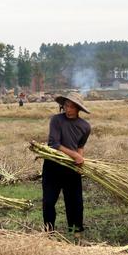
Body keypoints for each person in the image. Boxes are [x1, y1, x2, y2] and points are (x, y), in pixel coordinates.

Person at [43, 92, 91, 236]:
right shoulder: (56, 120)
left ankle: (76, 231)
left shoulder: (85, 126)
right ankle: (49, 232)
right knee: (49, 201)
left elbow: (80, 146)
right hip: (53, 165)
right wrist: (75, 155)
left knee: (75, 202)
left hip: (71, 168)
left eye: (72, 107)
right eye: (66, 106)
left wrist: (79, 161)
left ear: (78, 109)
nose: (68, 109)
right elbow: (54, 144)